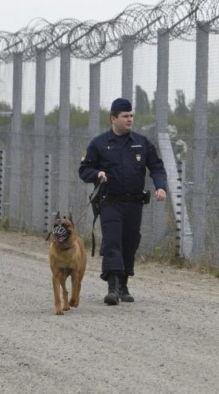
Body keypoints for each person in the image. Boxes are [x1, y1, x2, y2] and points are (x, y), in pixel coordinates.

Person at [78, 97, 167, 305]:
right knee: (112, 241)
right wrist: (97, 173)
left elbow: (156, 166)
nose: (130, 119)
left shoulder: (141, 143)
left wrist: (160, 186)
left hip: (134, 203)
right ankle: (112, 288)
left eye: (131, 116)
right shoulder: (99, 144)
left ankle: (124, 284)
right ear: (113, 118)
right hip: (110, 202)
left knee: (130, 243)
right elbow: (84, 170)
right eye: (125, 116)